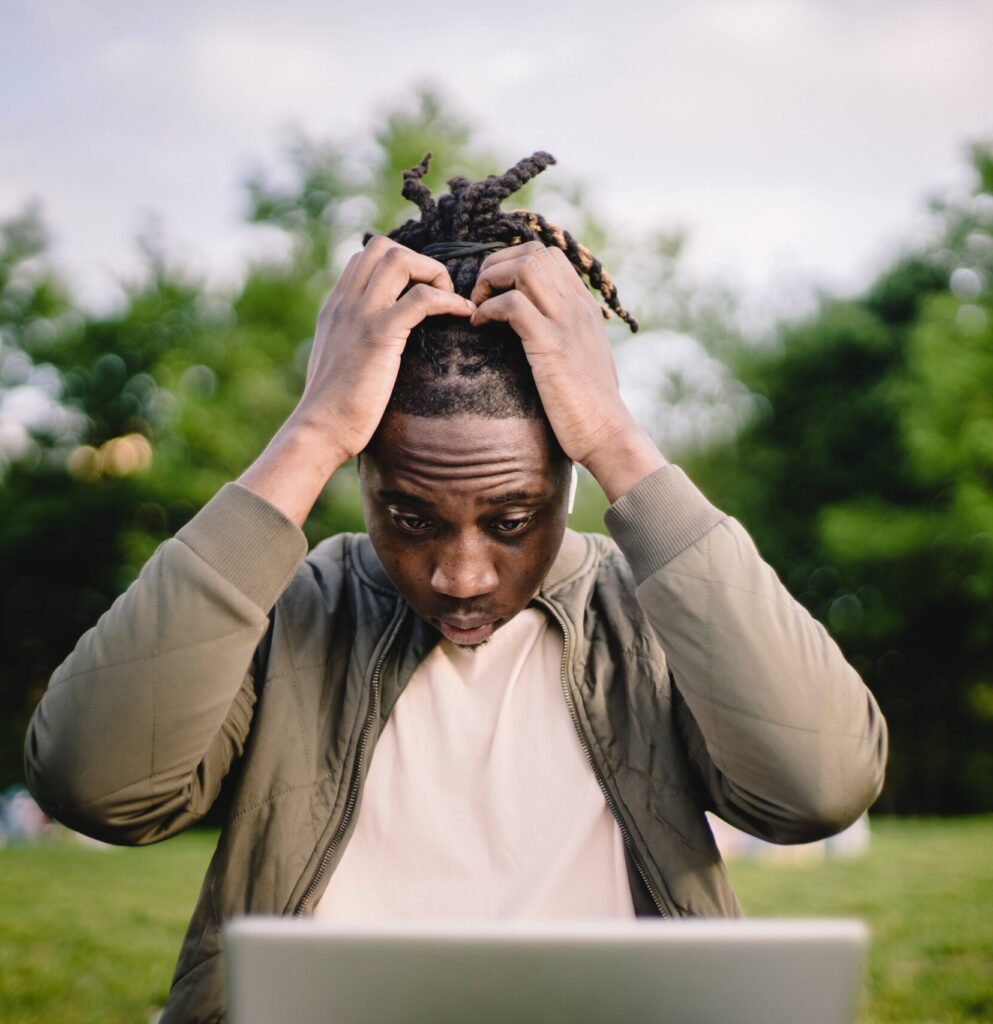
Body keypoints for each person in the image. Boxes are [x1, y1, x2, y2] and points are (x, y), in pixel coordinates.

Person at [24, 152, 887, 1023]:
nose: (460, 575)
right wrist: (311, 428)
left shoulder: (658, 611)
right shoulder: (289, 607)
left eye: (511, 520)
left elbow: (817, 787)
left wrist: (619, 438)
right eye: (410, 516)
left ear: (569, 477)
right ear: (359, 474)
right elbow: (95, 787)